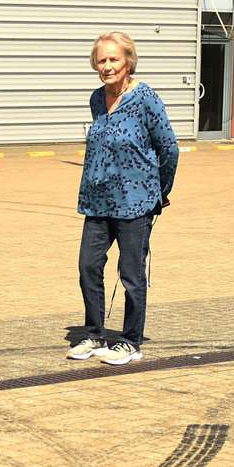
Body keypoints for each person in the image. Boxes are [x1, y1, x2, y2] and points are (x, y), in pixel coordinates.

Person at [68, 31, 179, 366]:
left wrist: (159, 192)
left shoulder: (145, 98)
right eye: (101, 60)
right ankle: (94, 333)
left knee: (131, 274)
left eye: (114, 59)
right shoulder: (96, 100)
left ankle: (131, 341)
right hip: (98, 201)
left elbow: (169, 148)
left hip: (136, 202)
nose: (107, 66)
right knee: (88, 266)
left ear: (128, 61)